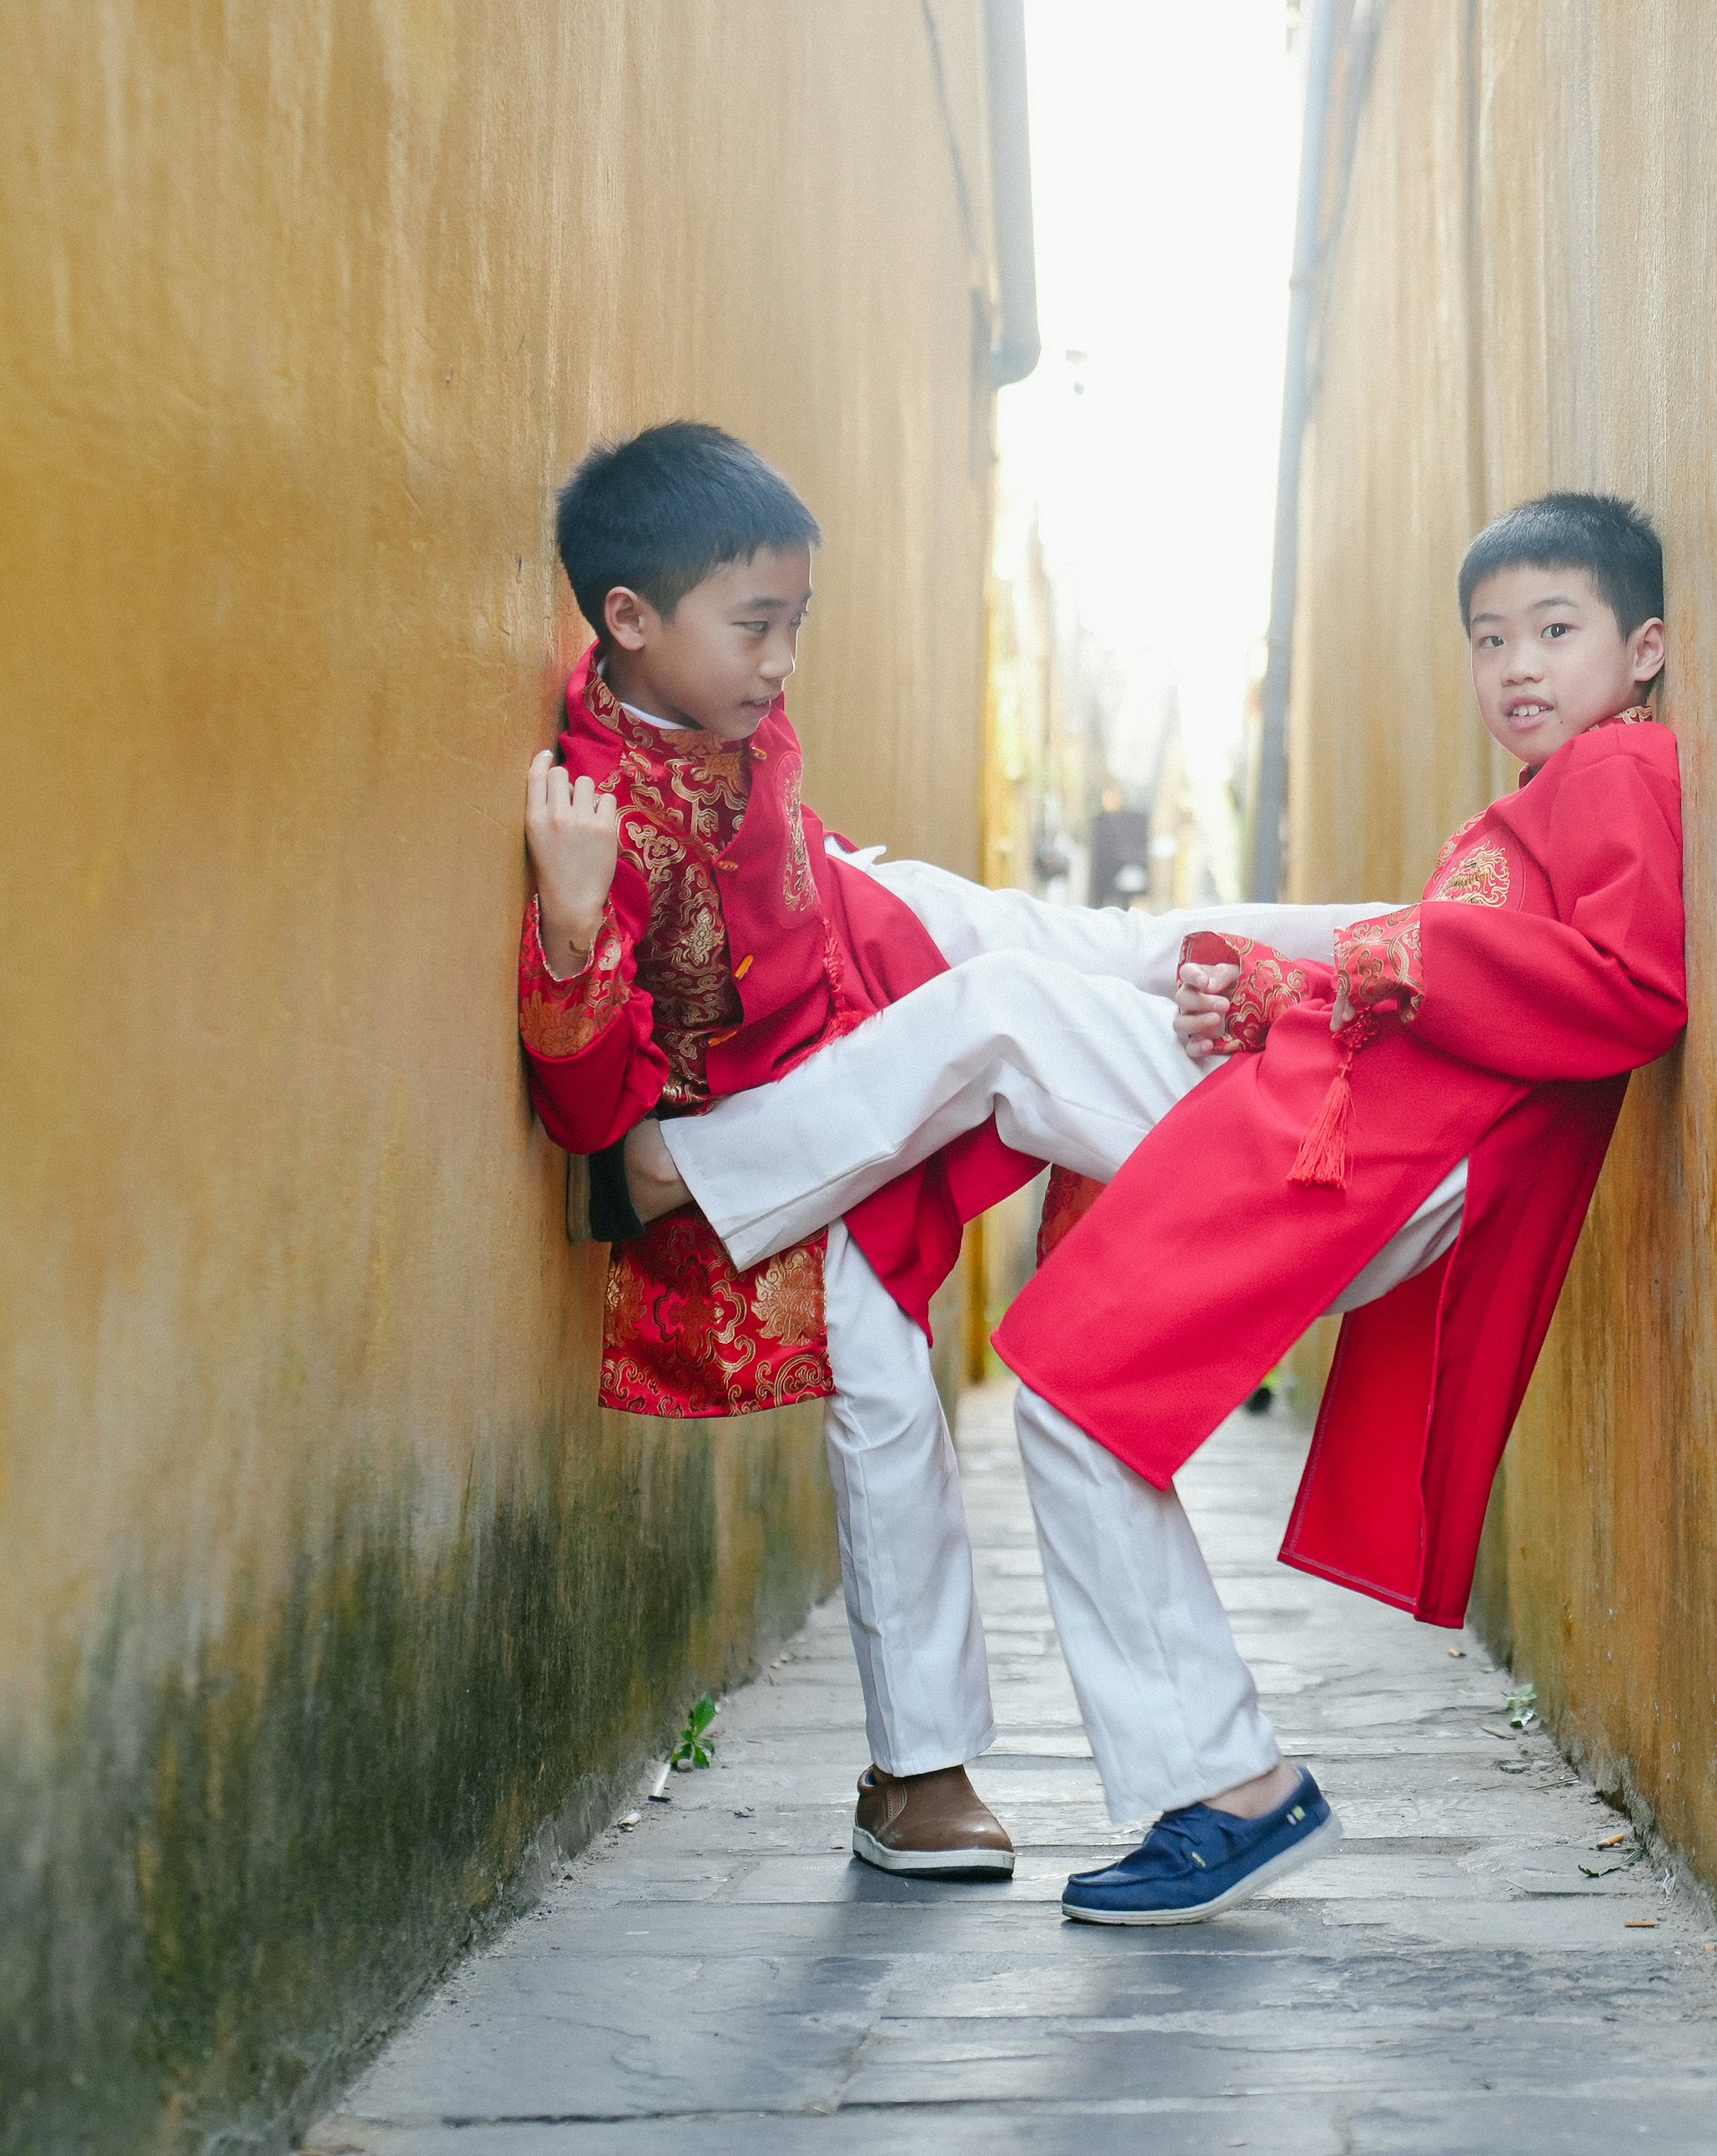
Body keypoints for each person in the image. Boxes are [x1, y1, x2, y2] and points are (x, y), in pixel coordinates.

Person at [633, 491, 1685, 1926]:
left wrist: (1365, 969)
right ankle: (1227, 1789)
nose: (1517, 665)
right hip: (1349, 1119)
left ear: (1645, 649)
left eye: (1556, 631)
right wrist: (1283, 997)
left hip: (1378, 1150)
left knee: (1006, 1034)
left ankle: (686, 1175)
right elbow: (1460, 988)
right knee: (1063, 1358)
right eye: (1490, 637)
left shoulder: (1618, 772)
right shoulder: (1537, 798)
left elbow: (1632, 992)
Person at [515, 421, 1384, 1887]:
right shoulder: (594, 808)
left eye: (799, 622)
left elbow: (778, 850)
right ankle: (918, 1775)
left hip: (885, 940)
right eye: (758, 626)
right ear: (628, 622)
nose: (785, 661)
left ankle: (1426, 946)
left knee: (1129, 952)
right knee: (885, 1395)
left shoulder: (716, 695)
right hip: (810, 1099)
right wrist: (566, 912)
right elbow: (593, 1115)